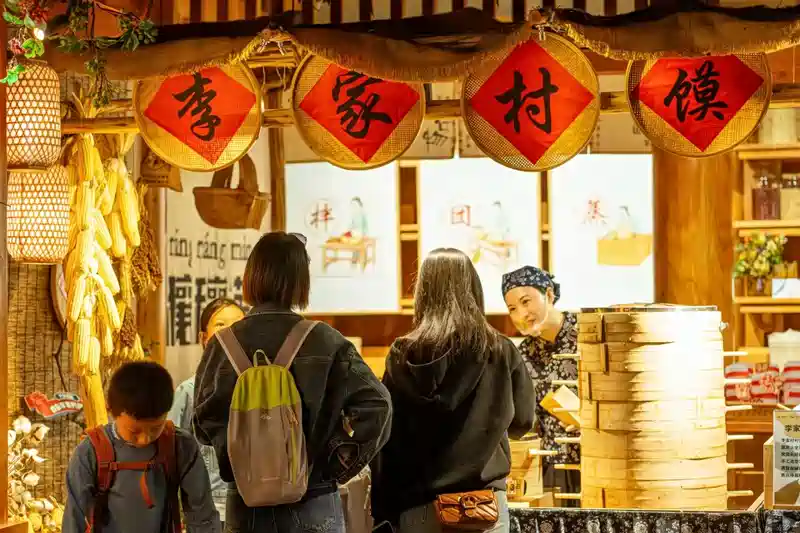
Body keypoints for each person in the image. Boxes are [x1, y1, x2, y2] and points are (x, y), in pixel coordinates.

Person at [193, 231, 392, 533]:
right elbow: (378, 405)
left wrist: (239, 452)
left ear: (251, 276)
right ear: (301, 281)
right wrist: (337, 464)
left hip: (245, 504)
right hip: (312, 499)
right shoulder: (325, 340)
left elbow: (201, 423)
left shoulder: (222, 346)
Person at [371, 248, 535, 533]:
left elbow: (387, 435)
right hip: (483, 507)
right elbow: (522, 421)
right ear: (473, 288)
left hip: (420, 506)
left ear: (423, 293)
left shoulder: (402, 354)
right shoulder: (500, 350)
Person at [63, 362, 221, 533]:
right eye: (134, 431)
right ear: (111, 411)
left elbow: (202, 515)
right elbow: (74, 519)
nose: (145, 439)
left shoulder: (181, 445)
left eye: (156, 428)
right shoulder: (91, 451)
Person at [502, 265, 580, 507]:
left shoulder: (586, 334)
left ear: (548, 294)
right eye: (512, 308)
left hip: (593, 460)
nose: (521, 314)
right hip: (548, 467)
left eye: (526, 302)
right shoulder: (523, 354)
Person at [168, 298, 245, 526]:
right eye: (220, 324)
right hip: (208, 513)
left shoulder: (261, 389)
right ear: (203, 338)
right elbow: (169, 455)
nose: (230, 331)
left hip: (254, 510)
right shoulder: (188, 392)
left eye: (238, 324)